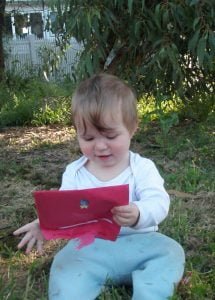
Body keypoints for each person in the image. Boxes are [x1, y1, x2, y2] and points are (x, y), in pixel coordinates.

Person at [14, 73, 185, 300]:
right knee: (64, 264)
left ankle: (150, 292)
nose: (101, 146)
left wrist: (138, 212)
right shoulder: (75, 173)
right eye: (88, 138)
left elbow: (159, 202)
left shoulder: (142, 168)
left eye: (110, 135)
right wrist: (44, 225)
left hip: (141, 243)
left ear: (132, 128)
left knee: (170, 252)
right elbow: (64, 212)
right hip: (90, 248)